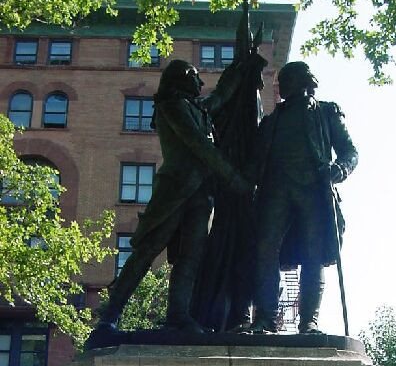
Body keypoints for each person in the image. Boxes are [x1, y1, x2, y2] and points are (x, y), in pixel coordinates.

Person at [95, 59, 250, 335]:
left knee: (190, 257)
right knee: (147, 250)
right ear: (179, 78)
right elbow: (199, 145)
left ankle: (178, 314)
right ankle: (110, 314)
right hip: (175, 189)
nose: (200, 83)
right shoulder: (171, 105)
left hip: (201, 195)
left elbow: (219, 97)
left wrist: (239, 69)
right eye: (195, 76)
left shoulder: (197, 108)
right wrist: (234, 178)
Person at [245, 61, 358, 334]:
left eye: (286, 79)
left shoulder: (327, 112)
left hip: (314, 190)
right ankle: (266, 318)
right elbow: (254, 161)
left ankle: (309, 321)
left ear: (303, 81)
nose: (281, 86)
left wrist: (339, 170)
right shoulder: (272, 121)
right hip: (275, 189)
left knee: (313, 255)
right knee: (265, 250)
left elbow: (350, 152)